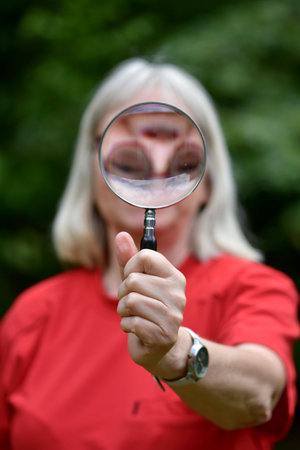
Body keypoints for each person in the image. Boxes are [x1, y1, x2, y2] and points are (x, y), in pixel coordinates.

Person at [0, 58, 299, 450]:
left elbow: (258, 396)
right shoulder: (32, 314)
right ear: (91, 172)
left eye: (180, 160)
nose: (155, 167)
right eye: (128, 160)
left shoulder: (252, 287)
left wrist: (175, 354)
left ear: (208, 184)